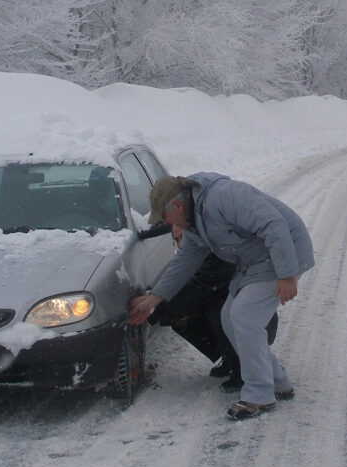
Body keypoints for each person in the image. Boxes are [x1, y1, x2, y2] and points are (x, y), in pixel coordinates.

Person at [128, 173, 314, 420]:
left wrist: (287, 274)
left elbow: (272, 223)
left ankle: (259, 395)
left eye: (164, 216)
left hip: (283, 252)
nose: (164, 223)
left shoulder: (223, 197)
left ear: (177, 205)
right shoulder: (195, 221)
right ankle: (277, 381)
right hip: (256, 261)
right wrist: (156, 298)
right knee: (230, 318)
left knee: (245, 316)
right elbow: (186, 259)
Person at [141, 222, 278, 391]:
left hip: (255, 321)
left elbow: (199, 286)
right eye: (175, 239)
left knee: (217, 311)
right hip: (229, 304)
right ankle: (229, 358)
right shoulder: (200, 245)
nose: (180, 244)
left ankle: (243, 369)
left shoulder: (217, 254)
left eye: (182, 237)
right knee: (184, 314)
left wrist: (153, 309)